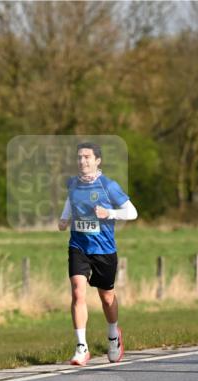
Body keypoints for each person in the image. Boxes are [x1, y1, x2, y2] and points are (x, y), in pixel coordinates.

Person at [58, 142, 138, 366]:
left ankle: (114, 336)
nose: (82, 161)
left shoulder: (108, 186)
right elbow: (70, 201)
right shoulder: (73, 184)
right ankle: (81, 348)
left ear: (97, 160)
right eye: (79, 157)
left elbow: (132, 212)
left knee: (107, 297)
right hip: (78, 245)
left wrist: (109, 212)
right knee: (77, 292)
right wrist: (64, 218)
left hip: (103, 249)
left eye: (87, 157)